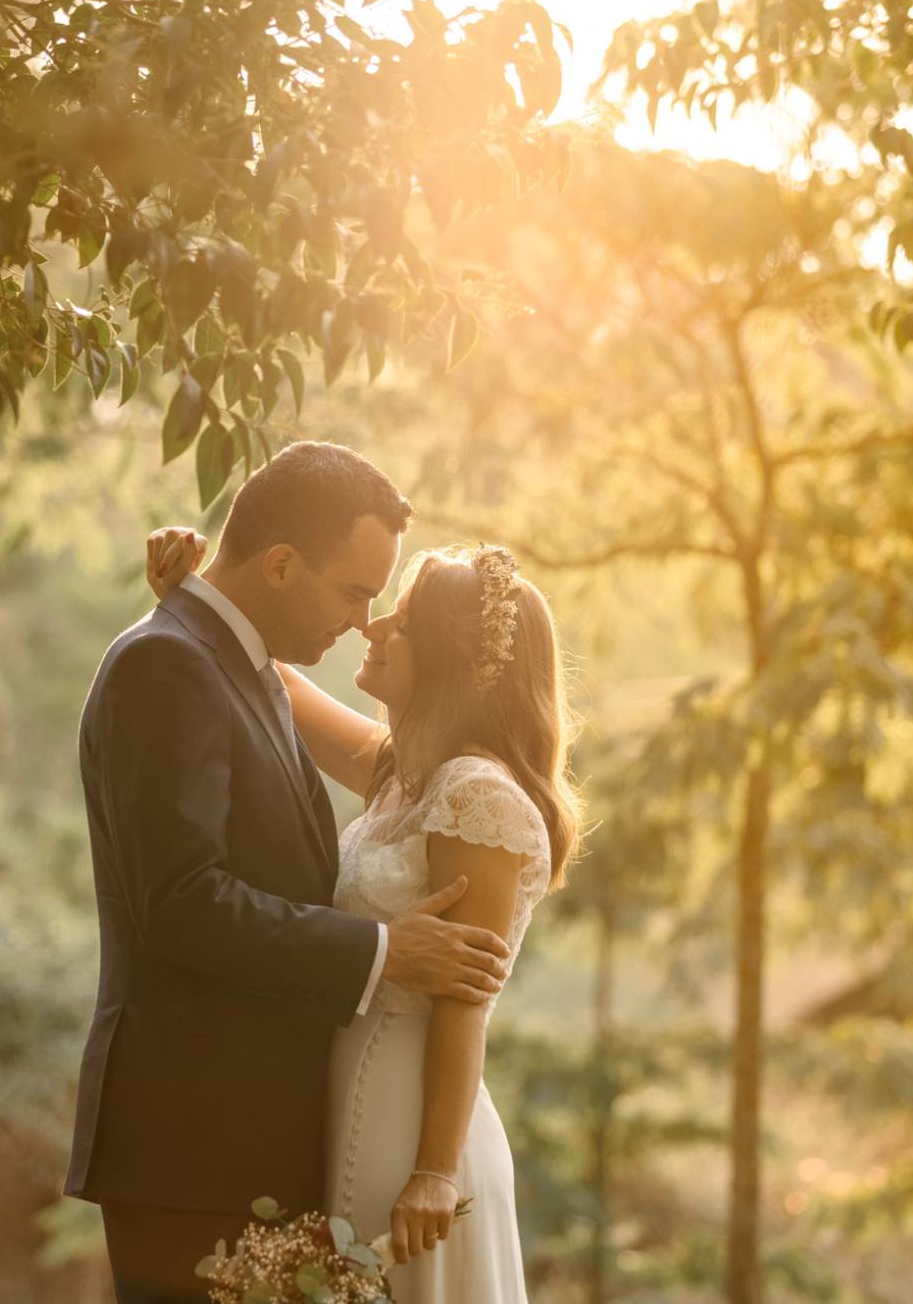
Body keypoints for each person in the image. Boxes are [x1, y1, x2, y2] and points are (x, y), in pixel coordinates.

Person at [66, 441, 516, 1304]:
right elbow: (180, 900)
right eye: (353, 592)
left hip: (267, 1143)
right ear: (279, 565)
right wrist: (385, 953)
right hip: (190, 1145)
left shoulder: (242, 665)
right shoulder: (167, 664)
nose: (360, 621)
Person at [145, 517, 581, 1304]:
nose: (372, 625)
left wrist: (434, 1174)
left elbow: (463, 1001)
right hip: (356, 1094)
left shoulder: (475, 795)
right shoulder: (404, 774)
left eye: (402, 621)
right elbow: (270, 679)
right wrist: (192, 596)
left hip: (414, 1121)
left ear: (447, 661)